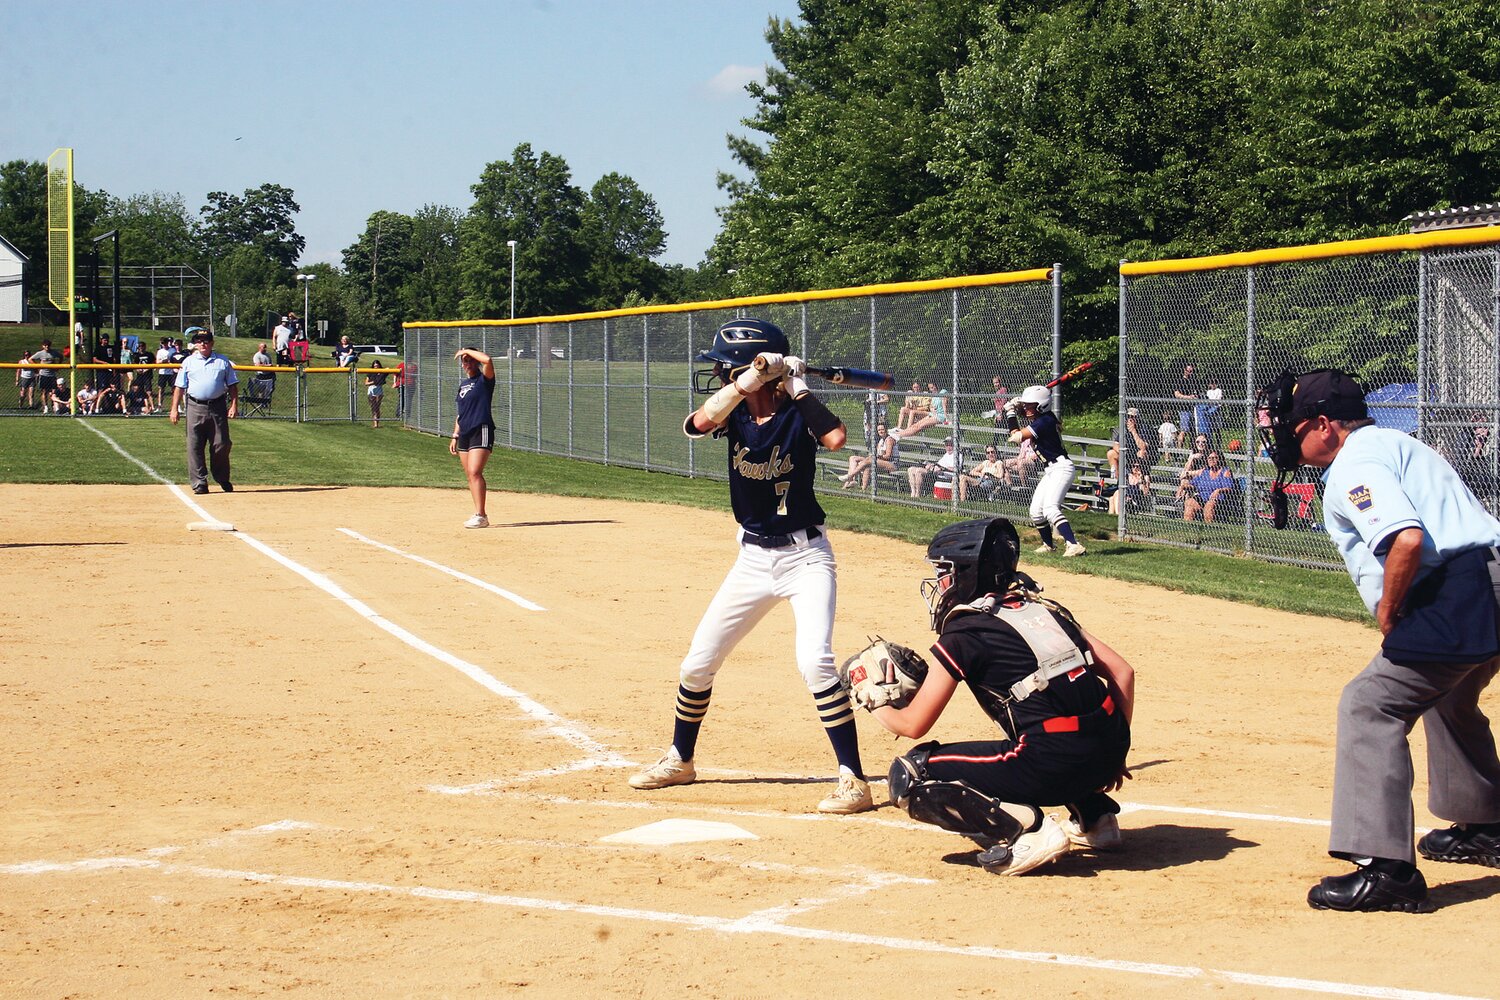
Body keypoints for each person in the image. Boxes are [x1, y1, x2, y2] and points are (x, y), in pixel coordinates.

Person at [1259, 368, 1500, 913]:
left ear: (1325, 425)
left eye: (1296, 429)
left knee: (1370, 705)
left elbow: (1406, 539)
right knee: (1448, 696)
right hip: (1488, 580)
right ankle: (1486, 825)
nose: (1288, 438)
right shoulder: (1396, 442)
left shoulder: (1356, 464)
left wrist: (1390, 612)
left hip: (1461, 592)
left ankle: (1385, 870)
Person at [629, 318, 872, 815]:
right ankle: (681, 758)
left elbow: (836, 440)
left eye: (723, 368)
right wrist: (749, 382)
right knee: (698, 662)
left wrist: (797, 385)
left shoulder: (798, 413)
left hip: (806, 558)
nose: (717, 375)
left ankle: (854, 779)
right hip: (753, 559)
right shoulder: (734, 413)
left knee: (814, 661)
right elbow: (697, 425)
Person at [855, 517, 1133, 874]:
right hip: (1107, 753)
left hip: (1055, 763)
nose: (941, 582)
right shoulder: (1045, 611)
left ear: (969, 573)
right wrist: (1116, 750)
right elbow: (1123, 672)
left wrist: (871, 696)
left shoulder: (965, 633)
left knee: (911, 776)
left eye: (947, 571)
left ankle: (1028, 832)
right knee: (1042, 718)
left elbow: (912, 725)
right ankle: (1096, 817)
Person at [1005, 385, 1086, 556]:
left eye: (1030, 405)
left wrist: (1010, 413)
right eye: (1026, 405)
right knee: (1036, 511)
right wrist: (1017, 405)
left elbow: (1016, 437)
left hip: (1061, 467)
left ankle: (1073, 544)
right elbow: (1025, 417)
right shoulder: (1042, 419)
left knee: (1050, 508)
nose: (1026, 408)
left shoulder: (1045, 421)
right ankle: (1049, 545)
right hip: (1051, 469)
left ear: (1041, 406)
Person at [170, 328, 238, 495]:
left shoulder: (222, 361)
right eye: (199, 341)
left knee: (222, 444)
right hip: (195, 406)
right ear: (195, 344)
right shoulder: (188, 362)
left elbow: (232, 385)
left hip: (217, 406)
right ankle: (199, 482)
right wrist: (174, 409)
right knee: (194, 446)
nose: (203, 344)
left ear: (212, 343)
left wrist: (234, 405)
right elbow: (179, 387)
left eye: (206, 341)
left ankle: (222, 477)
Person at [448, 347, 496, 528]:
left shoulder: (484, 380)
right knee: (470, 474)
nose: (466, 363)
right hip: (465, 432)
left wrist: (465, 350)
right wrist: (455, 435)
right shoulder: (463, 385)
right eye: (464, 361)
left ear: (476, 362)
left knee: (475, 471)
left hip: (481, 427)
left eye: (469, 360)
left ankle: (481, 515)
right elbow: (461, 413)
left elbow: (488, 360)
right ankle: (478, 513)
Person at [1177, 449, 1236, 523]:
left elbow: (1229, 488)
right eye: (1209, 458)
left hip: (1218, 500)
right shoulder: (1204, 472)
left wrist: (1218, 491)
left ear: (1220, 459)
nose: (1211, 460)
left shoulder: (1225, 472)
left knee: (1209, 505)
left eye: (1214, 458)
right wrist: (1183, 487)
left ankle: (1209, 528)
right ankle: (1188, 527)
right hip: (1202, 498)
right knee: (1189, 503)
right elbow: (1193, 485)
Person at [842, 421, 898, 490]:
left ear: (886, 430)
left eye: (882, 429)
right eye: (879, 430)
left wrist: (877, 456)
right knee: (853, 458)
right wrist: (874, 456)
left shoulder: (889, 440)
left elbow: (888, 456)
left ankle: (850, 476)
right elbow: (877, 453)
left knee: (869, 462)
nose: (880, 431)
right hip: (879, 461)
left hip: (891, 464)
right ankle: (857, 485)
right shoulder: (881, 441)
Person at [1173, 363, 1204, 447]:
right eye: (1189, 371)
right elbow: (1177, 394)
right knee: (1184, 430)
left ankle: (1193, 448)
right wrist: (1188, 397)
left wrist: (1196, 397)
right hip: (1184, 409)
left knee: (1194, 431)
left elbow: (1198, 393)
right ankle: (1179, 451)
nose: (1191, 373)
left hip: (1194, 408)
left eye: (1192, 371)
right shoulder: (1180, 381)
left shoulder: (1194, 381)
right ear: (1185, 370)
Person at [365, 359, 388, 428]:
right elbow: (366, 383)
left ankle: (377, 423)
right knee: (373, 407)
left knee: (377, 407)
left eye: (377, 366)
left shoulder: (382, 372)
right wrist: (372, 382)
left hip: (379, 389)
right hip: (371, 389)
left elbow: (388, 369)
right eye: (375, 366)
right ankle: (374, 423)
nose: (376, 367)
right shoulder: (370, 372)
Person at [154, 337, 175, 409]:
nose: (164, 344)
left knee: (173, 389)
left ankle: (175, 405)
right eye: (162, 343)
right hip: (162, 372)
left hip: (171, 372)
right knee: (161, 389)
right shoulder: (160, 351)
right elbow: (157, 362)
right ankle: (160, 405)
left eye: (165, 343)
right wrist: (164, 361)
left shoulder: (172, 350)